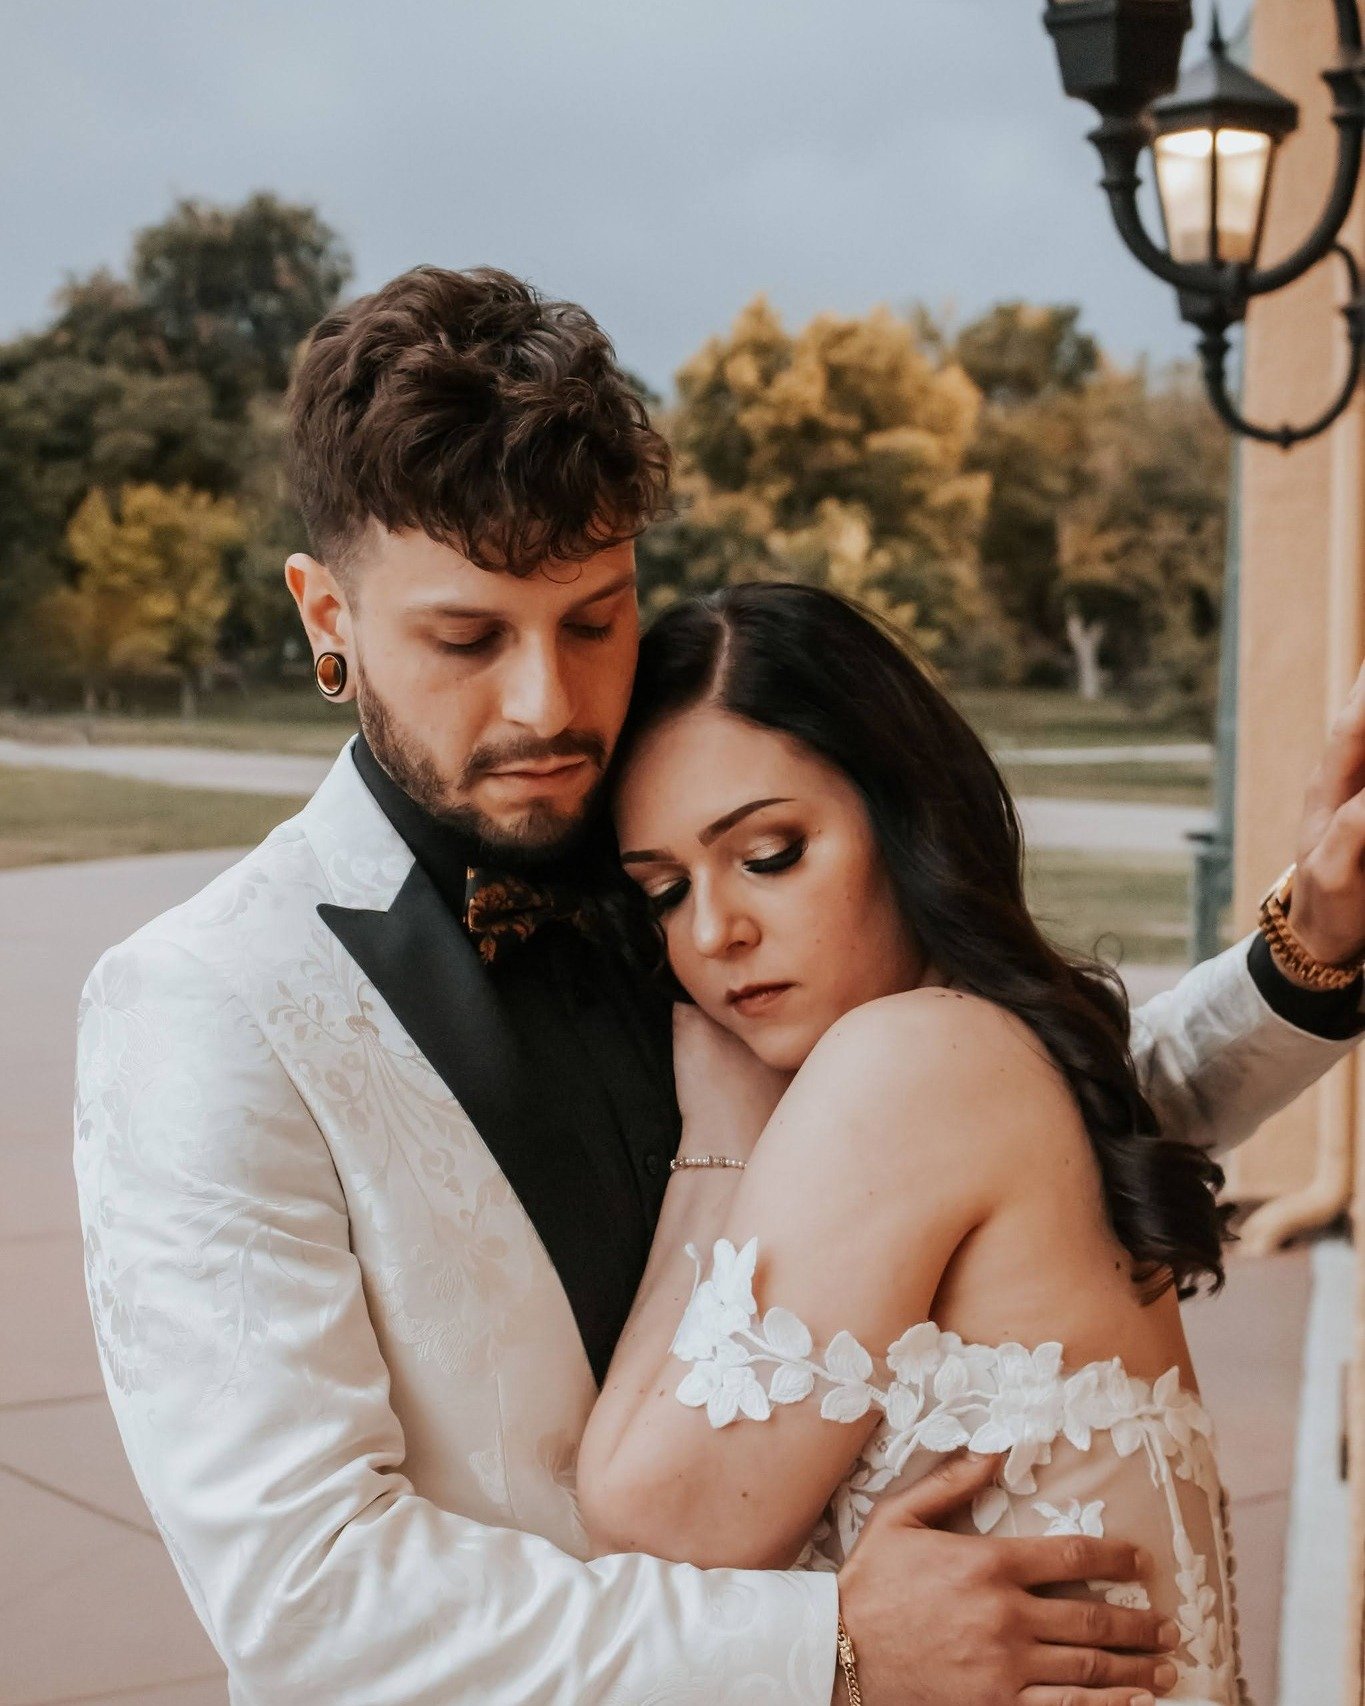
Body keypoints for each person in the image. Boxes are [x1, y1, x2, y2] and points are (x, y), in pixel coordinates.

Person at [73, 266, 1365, 1706]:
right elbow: (309, 1600)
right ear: (328, 614)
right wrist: (833, 1647)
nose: (547, 704)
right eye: (464, 638)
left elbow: (1022, 1121)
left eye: (593, 617)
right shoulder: (206, 1006)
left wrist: (1305, 960)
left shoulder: (677, 863)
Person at [577, 581, 1253, 1705]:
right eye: (662, 890)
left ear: (903, 818)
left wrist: (722, 1132)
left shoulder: (913, 1061)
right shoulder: (1000, 1047)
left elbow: (653, 1521)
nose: (713, 932)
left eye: (771, 852)